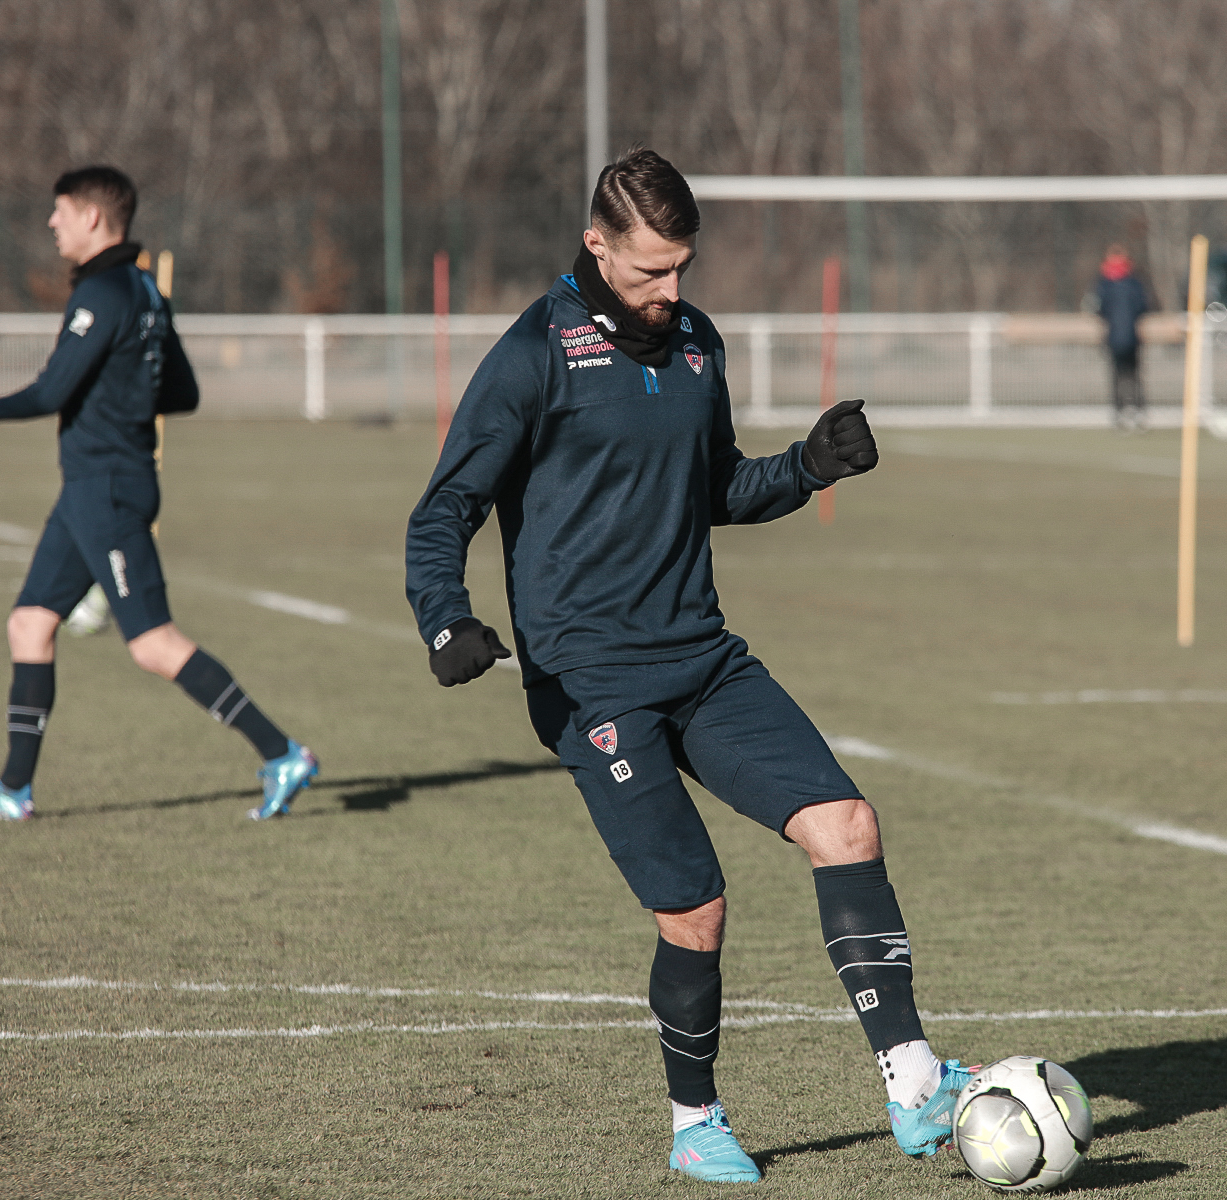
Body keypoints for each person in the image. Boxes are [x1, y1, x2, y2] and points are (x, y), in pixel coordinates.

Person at [406, 147, 978, 1184]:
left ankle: (912, 1084)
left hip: (703, 658)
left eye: (681, 270)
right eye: (648, 272)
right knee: (696, 909)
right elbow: (445, 507)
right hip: (592, 684)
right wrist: (446, 622)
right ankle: (694, 1121)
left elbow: (716, 488)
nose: (671, 293)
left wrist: (807, 467)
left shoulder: (698, 344)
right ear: (595, 245)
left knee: (846, 826)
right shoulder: (535, 352)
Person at [0, 166, 318, 823]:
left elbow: (54, 390)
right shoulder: (141, 287)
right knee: (29, 623)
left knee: (151, 644)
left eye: (60, 212)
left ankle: (281, 751)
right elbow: (183, 391)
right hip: (93, 488)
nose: (51, 224)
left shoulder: (103, 294)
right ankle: (13, 791)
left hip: (106, 492)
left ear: (92, 217)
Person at [1093, 244, 1151, 431]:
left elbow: (1099, 309)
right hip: (1132, 336)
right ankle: (1138, 412)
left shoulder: (1104, 284)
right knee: (1134, 376)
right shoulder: (1134, 283)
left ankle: (1120, 413)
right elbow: (1143, 307)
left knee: (1117, 376)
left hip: (1114, 337)